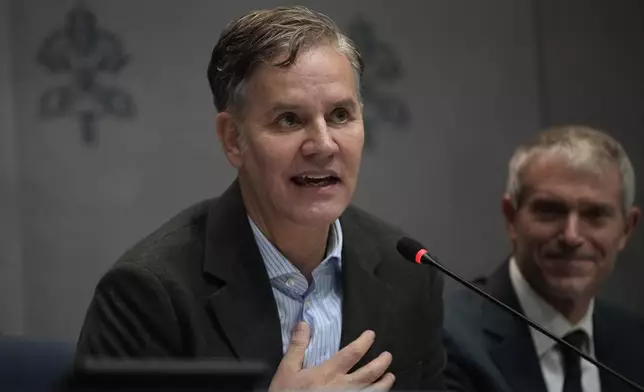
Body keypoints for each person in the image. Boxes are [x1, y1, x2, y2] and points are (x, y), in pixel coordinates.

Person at [76, 6, 447, 391]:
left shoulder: (409, 273)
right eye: (289, 119)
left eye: (340, 115)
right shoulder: (149, 294)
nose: (322, 144)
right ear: (233, 139)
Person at [442, 125, 644, 392]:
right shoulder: (448, 337)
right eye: (551, 210)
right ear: (511, 217)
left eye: (595, 214)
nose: (571, 236)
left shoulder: (637, 342)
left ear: (627, 228)